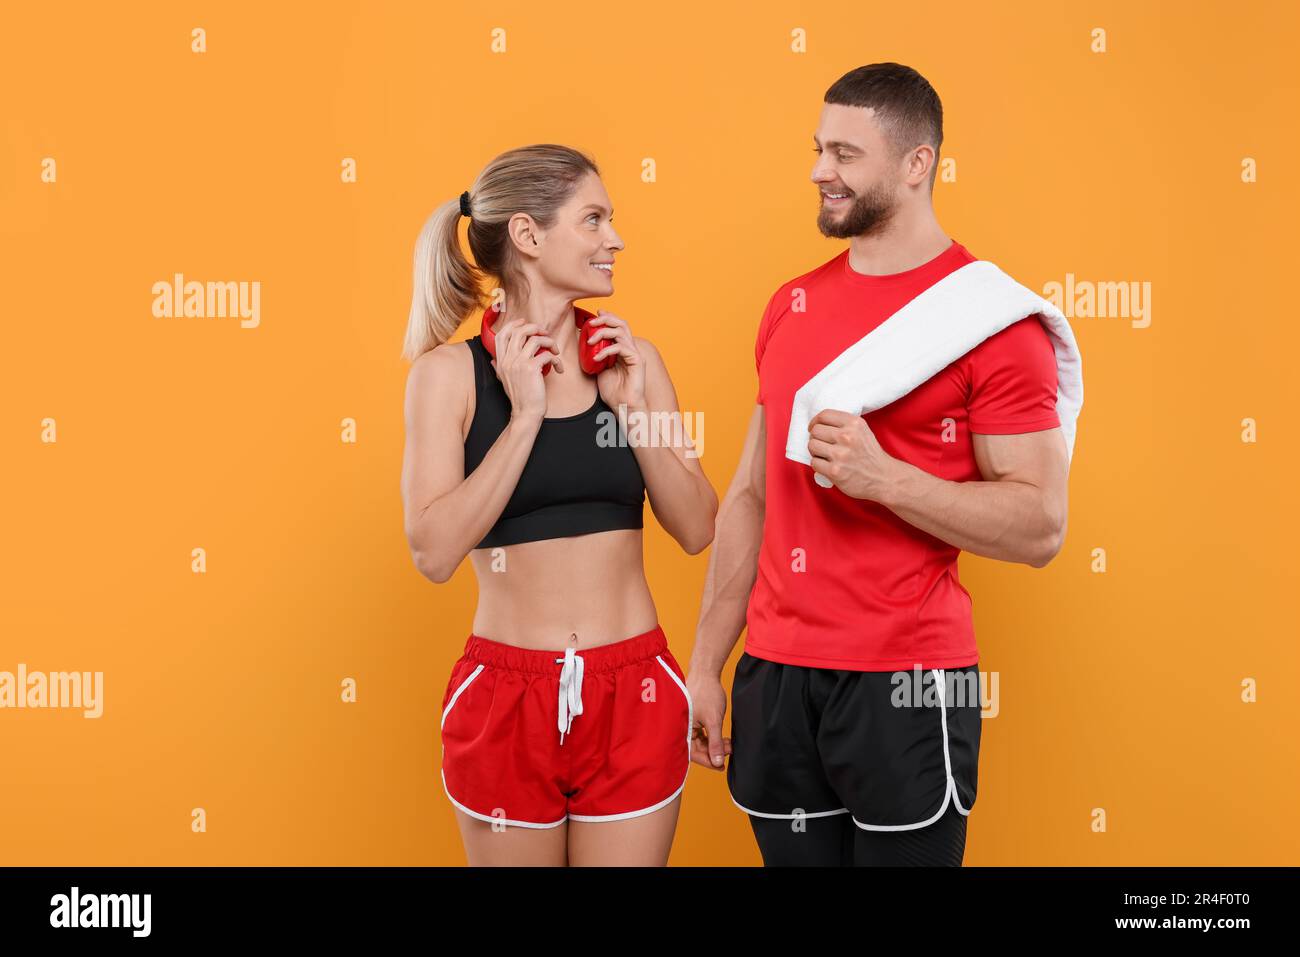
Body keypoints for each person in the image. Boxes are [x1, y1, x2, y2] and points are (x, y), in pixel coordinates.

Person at [687, 63, 1075, 866]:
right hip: (778, 676)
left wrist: (884, 477)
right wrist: (705, 662)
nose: (819, 172)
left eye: (844, 154)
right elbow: (753, 495)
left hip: (907, 682)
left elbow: (1040, 524)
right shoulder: (789, 306)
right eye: (818, 150)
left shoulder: (992, 323)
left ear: (916, 164)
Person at [400, 144, 717, 866]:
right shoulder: (447, 377)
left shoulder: (636, 360)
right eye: (595, 219)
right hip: (507, 696)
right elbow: (432, 551)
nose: (616, 239)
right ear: (528, 236)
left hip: (633, 688)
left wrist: (634, 412)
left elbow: (699, 526)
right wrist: (524, 417)